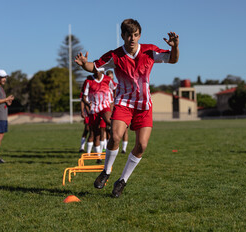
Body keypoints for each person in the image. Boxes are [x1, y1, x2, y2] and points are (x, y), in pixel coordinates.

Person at [75, 18, 179, 197]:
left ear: (140, 35)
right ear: (122, 36)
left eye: (136, 35)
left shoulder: (149, 50)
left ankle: (122, 180)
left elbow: (173, 59)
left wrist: (175, 46)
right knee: (115, 136)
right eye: (129, 35)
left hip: (144, 106)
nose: (132, 38)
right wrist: (85, 64)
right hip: (124, 103)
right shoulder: (115, 55)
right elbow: (95, 67)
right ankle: (106, 172)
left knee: (142, 145)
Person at [81, 70, 116, 163]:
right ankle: (98, 157)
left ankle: (115, 136)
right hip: (94, 109)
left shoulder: (108, 79)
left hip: (105, 106)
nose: (97, 72)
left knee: (109, 121)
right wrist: (87, 104)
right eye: (95, 70)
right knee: (95, 134)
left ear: (102, 70)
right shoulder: (88, 81)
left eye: (99, 70)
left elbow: (116, 88)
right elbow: (83, 97)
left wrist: (114, 101)